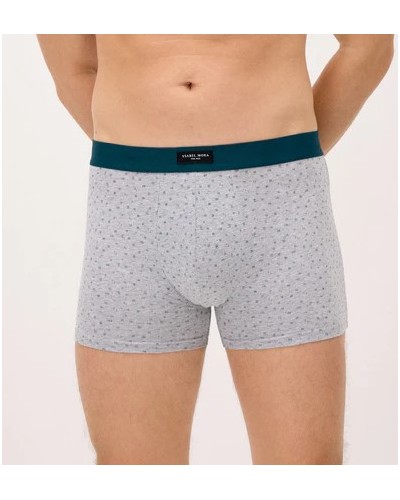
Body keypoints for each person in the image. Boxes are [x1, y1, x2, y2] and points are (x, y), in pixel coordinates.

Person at [36, 34, 394, 465]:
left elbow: (369, 43)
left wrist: (294, 155)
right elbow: (72, 69)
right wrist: (141, 155)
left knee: (307, 470)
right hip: (133, 212)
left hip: (278, 206)